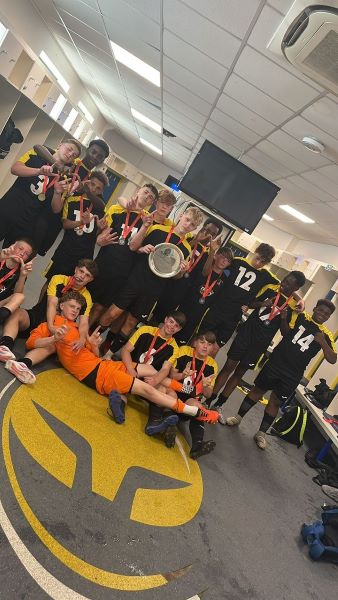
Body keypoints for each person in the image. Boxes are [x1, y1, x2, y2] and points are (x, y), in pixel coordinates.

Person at [20, 292, 220, 430]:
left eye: (78, 308)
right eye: (71, 306)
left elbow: (95, 354)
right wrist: (54, 338)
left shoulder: (78, 330)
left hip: (103, 365)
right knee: (147, 389)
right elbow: (31, 343)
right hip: (97, 374)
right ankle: (194, 411)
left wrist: (94, 343)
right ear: (61, 306)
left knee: (152, 372)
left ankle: (189, 392)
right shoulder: (52, 326)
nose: (74, 310)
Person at [225, 299, 337, 450]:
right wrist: (285, 317)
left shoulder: (327, 335)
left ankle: (261, 433)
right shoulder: (301, 316)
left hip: (293, 373)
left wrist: (323, 342)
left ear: (329, 317)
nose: (322, 314)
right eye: (321, 310)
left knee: (276, 402)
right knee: (257, 390)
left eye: (327, 314)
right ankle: (238, 417)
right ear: (315, 308)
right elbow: (285, 332)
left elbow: (332, 359)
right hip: (276, 363)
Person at [99, 206, 204, 353]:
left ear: (195, 228)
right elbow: (134, 246)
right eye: (187, 220)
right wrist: (142, 248)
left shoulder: (186, 249)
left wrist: (182, 271)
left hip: (154, 289)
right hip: (136, 279)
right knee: (113, 313)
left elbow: (175, 276)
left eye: (193, 225)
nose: (188, 225)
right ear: (181, 215)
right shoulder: (157, 229)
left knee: (131, 321)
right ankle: (92, 337)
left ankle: (108, 353)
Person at [208, 270, 306, 421]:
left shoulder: (293, 307)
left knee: (239, 373)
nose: (284, 284)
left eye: (288, 284)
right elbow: (250, 303)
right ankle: (208, 401)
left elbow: (286, 334)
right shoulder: (269, 288)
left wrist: (283, 318)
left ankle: (219, 405)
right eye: (285, 280)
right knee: (228, 366)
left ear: (295, 288)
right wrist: (263, 303)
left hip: (260, 344)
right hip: (246, 333)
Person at [0, 259, 97, 382]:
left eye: (87, 275)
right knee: (17, 313)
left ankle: (23, 364)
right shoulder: (58, 279)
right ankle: (4, 346)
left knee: (53, 345)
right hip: (41, 316)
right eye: (81, 271)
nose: (82, 276)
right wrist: (50, 325)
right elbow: (52, 304)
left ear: (90, 280)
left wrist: (83, 338)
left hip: (57, 327)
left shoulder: (87, 297)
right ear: (76, 270)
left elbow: (83, 322)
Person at [88, 183, 158, 328]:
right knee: (86, 299)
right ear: (138, 191)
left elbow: (134, 246)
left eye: (151, 197)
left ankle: (82, 334)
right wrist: (99, 239)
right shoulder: (116, 209)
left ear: (151, 203)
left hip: (122, 272)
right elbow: (101, 236)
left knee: (100, 307)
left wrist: (145, 226)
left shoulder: (147, 222)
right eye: (146, 192)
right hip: (103, 264)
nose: (147, 197)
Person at [0, 139, 81, 254]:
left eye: (74, 155)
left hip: (28, 222)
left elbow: (56, 209)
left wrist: (57, 192)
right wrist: (38, 171)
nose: (70, 154)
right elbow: (15, 169)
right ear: (60, 145)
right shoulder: (37, 153)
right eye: (69, 149)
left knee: (10, 257)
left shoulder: (64, 177)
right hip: (8, 209)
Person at [33, 139, 110, 255]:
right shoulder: (71, 162)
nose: (95, 157)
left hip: (59, 221)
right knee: (27, 243)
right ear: (88, 149)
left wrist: (88, 192)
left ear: (102, 161)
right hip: (43, 209)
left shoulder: (92, 179)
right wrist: (59, 165)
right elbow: (38, 147)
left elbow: (101, 205)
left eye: (99, 156)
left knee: (38, 250)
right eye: (93, 152)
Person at [200, 243, 277, 354]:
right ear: (255, 252)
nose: (258, 263)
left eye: (263, 262)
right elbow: (219, 270)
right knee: (202, 341)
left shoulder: (266, 276)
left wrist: (300, 300)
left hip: (233, 317)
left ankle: (204, 370)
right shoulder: (237, 261)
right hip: (216, 309)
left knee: (215, 348)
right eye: (257, 258)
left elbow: (283, 285)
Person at [121, 311, 185, 433]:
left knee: (163, 389)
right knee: (125, 381)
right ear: (165, 319)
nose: (172, 326)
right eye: (171, 322)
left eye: (176, 326)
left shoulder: (174, 348)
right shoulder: (145, 330)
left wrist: (155, 379)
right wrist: (130, 369)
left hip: (148, 378)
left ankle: (154, 423)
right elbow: (126, 350)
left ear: (179, 329)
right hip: (132, 369)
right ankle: (119, 406)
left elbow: (165, 369)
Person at [159, 332, 219, 458]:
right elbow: (170, 376)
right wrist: (182, 375)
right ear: (195, 343)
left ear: (213, 348)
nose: (205, 347)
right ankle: (169, 426)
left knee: (198, 407)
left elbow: (208, 395)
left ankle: (197, 445)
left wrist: (206, 385)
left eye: (209, 344)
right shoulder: (184, 351)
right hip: (174, 393)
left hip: (190, 401)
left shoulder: (212, 365)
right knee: (169, 393)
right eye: (202, 342)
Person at [152, 217, 223, 324]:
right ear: (203, 228)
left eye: (213, 234)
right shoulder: (188, 238)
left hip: (187, 291)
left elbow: (205, 273)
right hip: (172, 281)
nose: (209, 235)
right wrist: (196, 240)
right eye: (207, 230)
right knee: (156, 312)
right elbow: (176, 254)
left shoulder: (210, 254)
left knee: (169, 319)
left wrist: (213, 251)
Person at [44, 171, 108, 280]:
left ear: (101, 191)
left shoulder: (101, 207)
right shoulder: (72, 199)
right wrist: (81, 222)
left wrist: (100, 229)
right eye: (92, 184)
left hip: (85, 255)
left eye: (98, 188)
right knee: (51, 281)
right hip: (65, 250)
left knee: (72, 287)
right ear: (87, 182)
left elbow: (96, 234)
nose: (93, 189)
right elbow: (65, 224)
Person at [177, 246, 233, 345]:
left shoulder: (226, 278)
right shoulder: (205, 267)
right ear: (216, 255)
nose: (224, 261)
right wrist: (211, 251)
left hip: (199, 315)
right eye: (223, 257)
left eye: (228, 260)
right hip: (186, 306)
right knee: (173, 331)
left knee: (184, 342)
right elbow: (204, 273)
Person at [0, 239, 35, 324]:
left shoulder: (21, 272)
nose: (22, 253)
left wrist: (23, 275)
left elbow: (17, 294)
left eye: (27, 254)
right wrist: (1, 258)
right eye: (20, 248)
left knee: (20, 296)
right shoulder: (1, 256)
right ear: (13, 246)